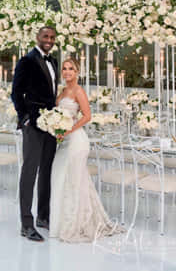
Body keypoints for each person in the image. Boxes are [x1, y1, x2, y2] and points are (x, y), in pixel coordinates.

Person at [50, 57, 124, 242]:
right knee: (60, 178)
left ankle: (75, 225)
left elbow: (87, 116)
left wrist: (68, 129)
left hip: (76, 140)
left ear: (77, 72)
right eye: (65, 69)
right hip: (64, 140)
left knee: (74, 181)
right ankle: (59, 225)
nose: (67, 72)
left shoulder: (78, 90)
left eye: (71, 69)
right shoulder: (62, 90)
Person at [12, 26, 58, 242]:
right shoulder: (26, 61)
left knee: (47, 170)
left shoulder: (54, 61)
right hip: (33, 124)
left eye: (52, 37)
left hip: (52, 125)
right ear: (37, 38)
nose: (48, 40)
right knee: (30, 172)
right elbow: (16, 93)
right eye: (45, 36)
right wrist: (25, 118)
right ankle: (26, 223)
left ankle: (43, 216)